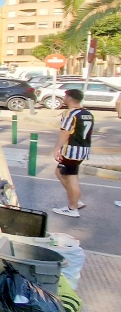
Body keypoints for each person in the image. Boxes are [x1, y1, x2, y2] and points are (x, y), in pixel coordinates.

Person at [52, 88, 93, 217]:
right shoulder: (87, 113)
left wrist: (56, 148)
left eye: (65, 96)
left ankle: (72, 207)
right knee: (60, 172)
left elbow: (65, 132)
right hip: (83, 149)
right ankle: (75, 199)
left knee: (71, 177)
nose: (64, 98)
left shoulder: (70, 114)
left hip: (71, 150)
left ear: (69, 98)